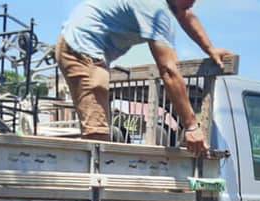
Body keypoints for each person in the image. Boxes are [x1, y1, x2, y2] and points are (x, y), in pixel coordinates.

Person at [56, 0, 232, 155]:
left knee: (99, 132)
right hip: (82, 50)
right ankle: (92, 180)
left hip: (79, 42)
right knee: (97, 136)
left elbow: (185, 14)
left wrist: (210, 49)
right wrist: (192, 127)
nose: (194, 2)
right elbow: (168, 71)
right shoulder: (156, 10)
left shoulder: (169, 4)